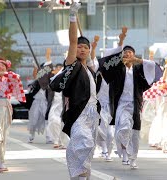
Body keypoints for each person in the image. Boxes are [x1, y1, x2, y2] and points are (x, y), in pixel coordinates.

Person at [48, 2, 125, 179]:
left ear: (89, 51)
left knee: (88, 148)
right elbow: (73, 40)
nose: (81, 49)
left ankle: (81, 176)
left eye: (85, 47)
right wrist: (73, 15)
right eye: (79, 48)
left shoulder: (90, 69)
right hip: (78, 111)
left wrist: (95, 46)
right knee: (82, 141)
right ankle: (78, 174)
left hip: (92, 113)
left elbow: (92, 58)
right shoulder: (72, 65)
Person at [101, 42, 163, 168]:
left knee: (134, 133)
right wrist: (118, 64)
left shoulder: (138, 69)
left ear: (134, 55)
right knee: (122, 129)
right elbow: (105, 69)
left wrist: (137, 60)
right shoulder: (118, 69)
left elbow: (154, 68)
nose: (127, 53)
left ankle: (133, 157)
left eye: (130, 52)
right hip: (121, 105)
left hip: (135, 104)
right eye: (125, 52)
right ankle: (124, 153)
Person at [27, 48, 54, 144]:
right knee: (34, 118)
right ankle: (31, 135)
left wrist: (48, 57)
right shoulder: (38, 79)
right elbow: (36, 75)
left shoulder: (50, 76)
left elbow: (49, 67)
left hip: (47, 101)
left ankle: (49, 137)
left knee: (48, 119)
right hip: (37, 101)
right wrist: (35, 67)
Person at [45, 63, 69, 149]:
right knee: (53, 121)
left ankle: (62, 142)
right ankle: (56, 140)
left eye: (60, 69)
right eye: (57, 68)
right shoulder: (51, 81)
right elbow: (43, 83)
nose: (59, 70)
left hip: (63, 105)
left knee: (63, 123)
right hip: (54, 105)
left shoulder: (66, 80)